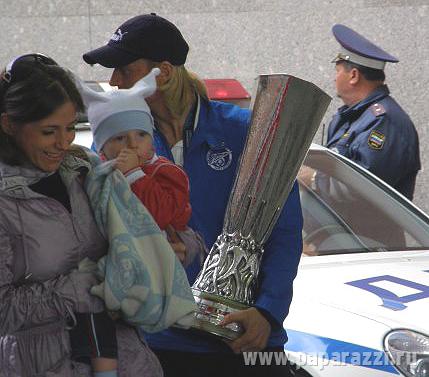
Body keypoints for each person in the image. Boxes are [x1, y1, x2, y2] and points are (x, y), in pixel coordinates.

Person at [83, 13, 303, 377]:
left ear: (164, 72)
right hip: (159, 340)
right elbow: (98, 230)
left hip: (244, 336)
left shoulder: (244, 130)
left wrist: (268, 311)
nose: (113, 81)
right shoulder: (113, 145)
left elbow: (284, 229)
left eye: (123, 69)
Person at [0, 53, 163, 377]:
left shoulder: (86, 169)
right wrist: (86, 286)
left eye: (71, 127)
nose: (63, 143)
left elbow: (139, 224)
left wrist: (173, 246)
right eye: (49, 132)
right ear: (8, 124)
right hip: (43, 363)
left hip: (128, 360)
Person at [327, 24, 420, 200]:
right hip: (345, 226)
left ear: (353, 75)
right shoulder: (350, 117)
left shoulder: (385, 123)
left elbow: (364, 190)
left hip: (367, 228)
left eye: (337, 71)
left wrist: (314, 179)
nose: (334, 78)